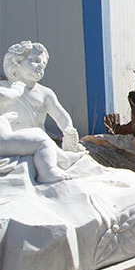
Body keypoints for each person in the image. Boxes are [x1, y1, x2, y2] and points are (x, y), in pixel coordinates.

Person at [0, 41, 83, 183]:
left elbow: (60, 115)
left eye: (43, 65)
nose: (40, 66)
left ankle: (63, 157)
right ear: (16, 63)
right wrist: (16, 91)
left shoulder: (45, 93)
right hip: (12, 141)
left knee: (41, 136)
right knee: (42, 141)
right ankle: (50, 169)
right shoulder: (5, 89)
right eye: (35, 60)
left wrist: (68, 130)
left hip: (34, 139)